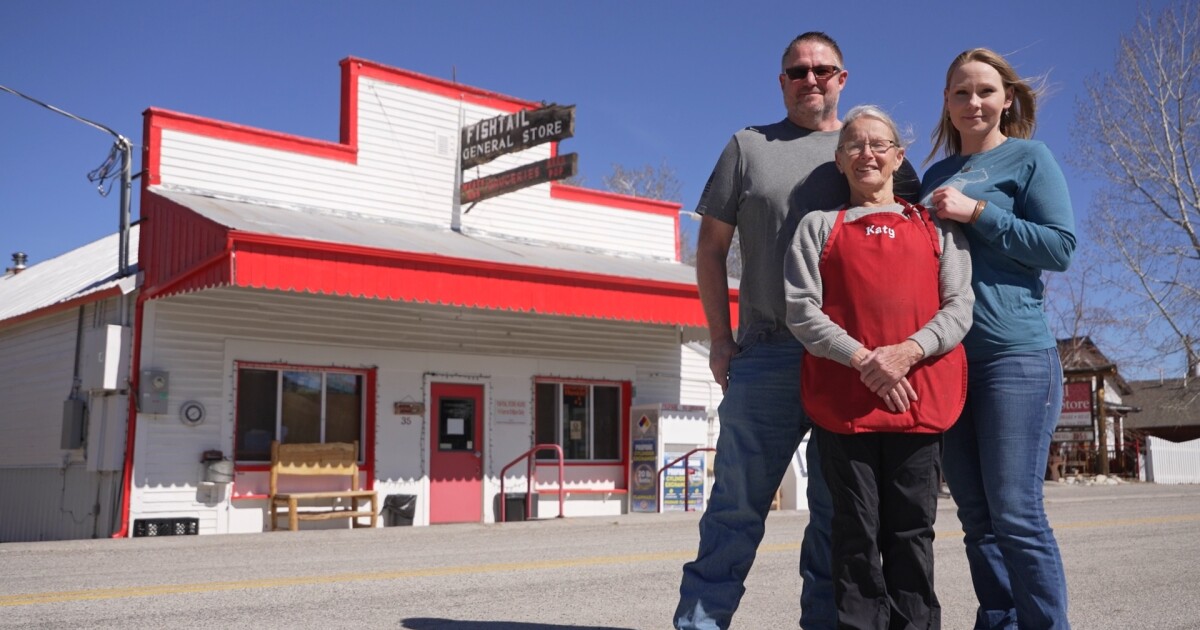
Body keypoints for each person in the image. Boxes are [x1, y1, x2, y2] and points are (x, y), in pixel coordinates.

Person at [674, 33, 920, 630]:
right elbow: (710, 250)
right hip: (768, 354)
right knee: (735, 510)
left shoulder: (867, 148)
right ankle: (700, 623)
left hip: (849, 363)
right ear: (781, 81)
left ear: (842, 78)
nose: (811, 79)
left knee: (838, 521)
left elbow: (912, 247)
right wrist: (721, 339)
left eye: (822, 70)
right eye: (798, 71)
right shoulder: (748, 147)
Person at [784, 104, 974, 629]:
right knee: (854, 534)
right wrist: (866, 361)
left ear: (898, 156)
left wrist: (906, 354)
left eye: (878, 144)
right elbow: (801, 309)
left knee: (911, 534)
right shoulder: (818, 226)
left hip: (918, 401)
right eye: (853, 145)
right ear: (839, 160)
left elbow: (959, 308)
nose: (866, 153)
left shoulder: (936, 228)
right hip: (845, 404)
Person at [922, 48, 1076, 629]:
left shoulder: (1030, 158)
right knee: (977, 519)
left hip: (1015, 356)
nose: (974, 102)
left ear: (1007, 98)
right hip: (948, 364)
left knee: (1016, 513)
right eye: (961, 92)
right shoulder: (930, 177)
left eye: (985, 91)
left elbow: (1059, 247)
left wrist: (978, 212)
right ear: (947, 102)